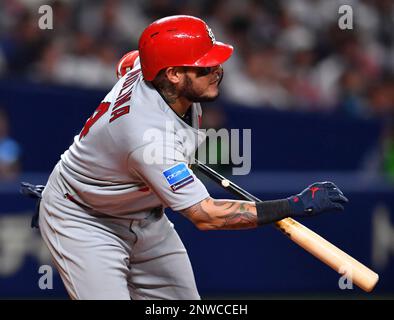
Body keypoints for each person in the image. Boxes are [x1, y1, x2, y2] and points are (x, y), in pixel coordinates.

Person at [27, 15, 348, 300]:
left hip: (143, 217)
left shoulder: (152, 71)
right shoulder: (147, 134)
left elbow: (130, 61)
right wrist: (294, 205)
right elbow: (206, 216)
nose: (217, 70)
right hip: (85, 222)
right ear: (174, 75)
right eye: (205, 65)